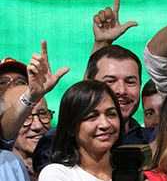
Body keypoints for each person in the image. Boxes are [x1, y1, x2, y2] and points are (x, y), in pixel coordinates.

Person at [32, 44, 149, 173]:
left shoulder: (151, 140)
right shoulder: (55, 144)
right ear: (89, 83)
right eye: (110, 81)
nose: (121, 90)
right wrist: (30, 97)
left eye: (130, 82)